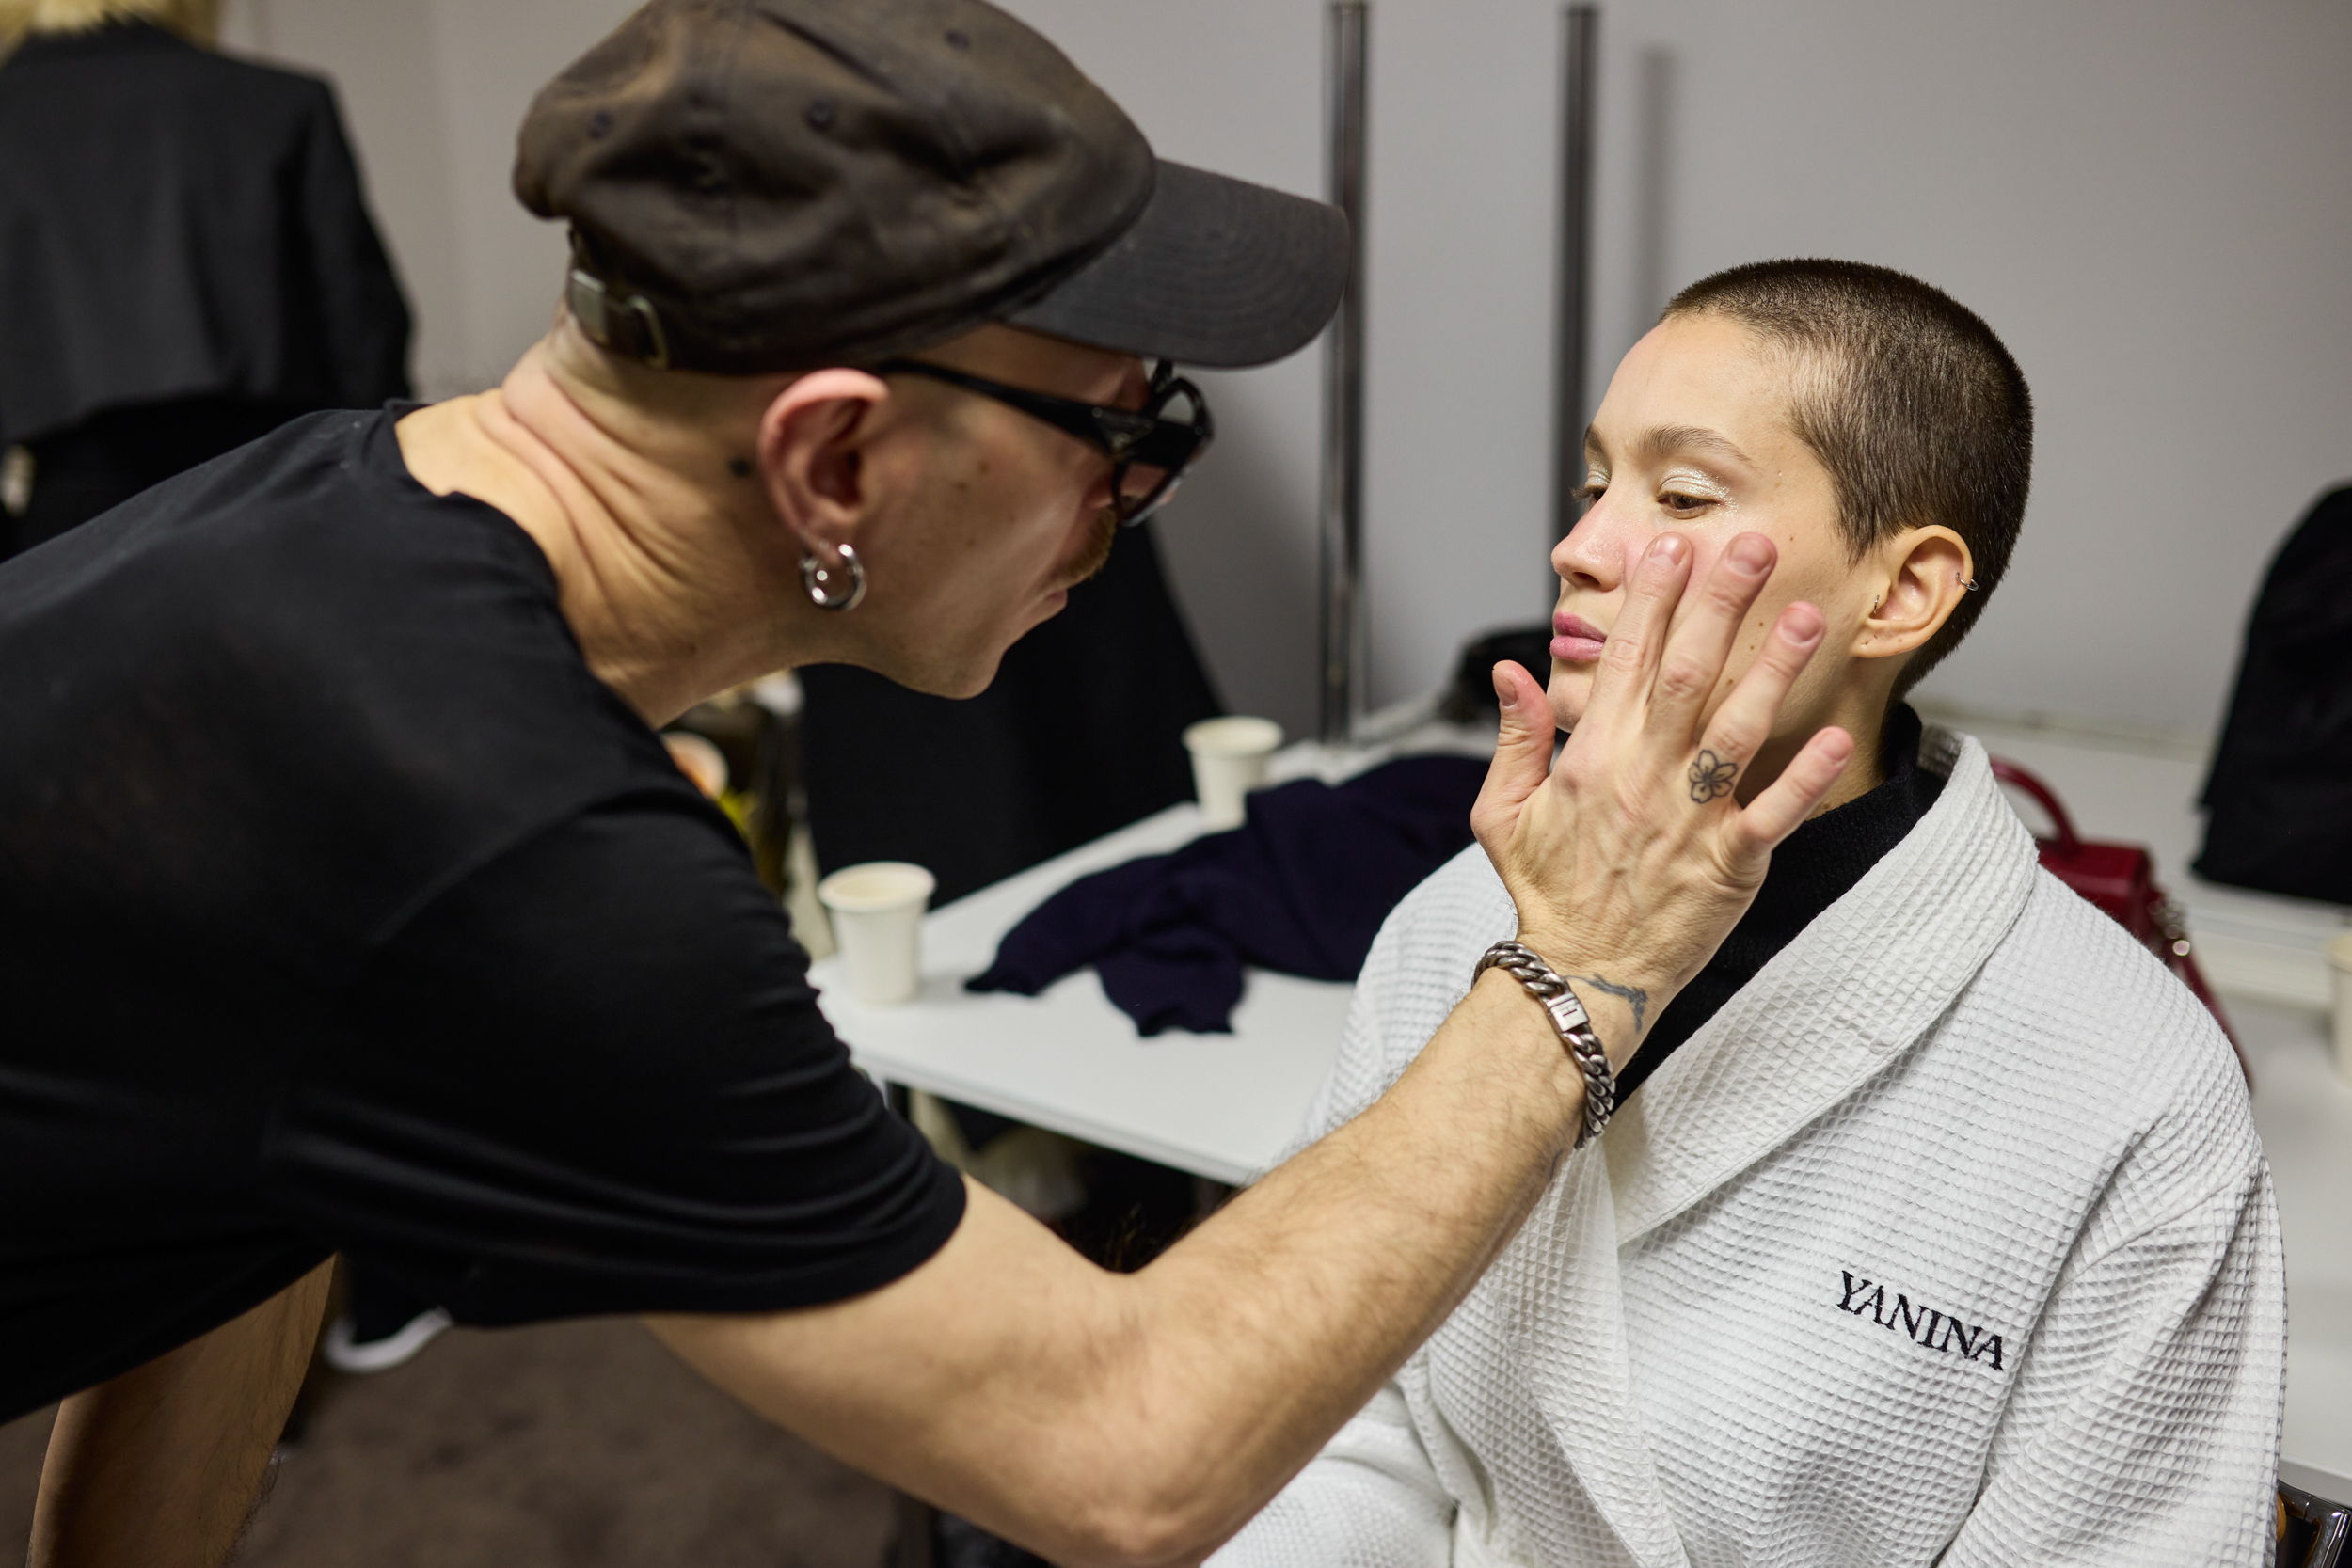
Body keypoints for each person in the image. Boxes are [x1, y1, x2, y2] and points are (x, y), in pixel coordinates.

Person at [0, 5, 1864, 1564]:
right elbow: (1124, 1452)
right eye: (1127, 430)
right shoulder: (512, 838)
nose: (1130, 502)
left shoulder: (339, 509)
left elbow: (234, 1188)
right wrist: (1581, 970)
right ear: (830, 462)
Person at [1207, 260, 2287, 1568]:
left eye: (1681, 493)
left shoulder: (2133, 1087)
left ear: (1900, 594)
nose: (1580, 545)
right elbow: (1343, 1419)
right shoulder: (1461, 922)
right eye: (1594, 484)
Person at [0, 0, 410, 557]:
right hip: (270, 487)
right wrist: (385, 490)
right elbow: (363, 323)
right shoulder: (279, 101)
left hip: (73, 515)